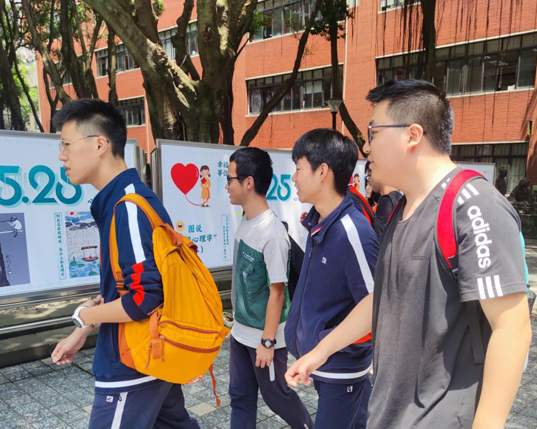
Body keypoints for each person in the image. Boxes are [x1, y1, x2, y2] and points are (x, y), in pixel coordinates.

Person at [285, 80, 532, 428]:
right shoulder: (400, 211)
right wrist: (320, 352)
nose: (366, 147)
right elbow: (381, 299)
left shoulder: (474, 206)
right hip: (389, 413)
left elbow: (512, 327)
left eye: (373, 133)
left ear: (413, 135)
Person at [50, 99, 199, 429]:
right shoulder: (127, 199)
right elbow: (129, 287)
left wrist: (84, 316)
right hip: (151, 355)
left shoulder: (128, 206)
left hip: (132, 363)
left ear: (99, 144)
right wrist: (82, 331)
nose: (62, 156)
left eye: (66, 145)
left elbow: (144, 298)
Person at [284, 129, 378, 429]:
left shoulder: (352, 231)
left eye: (299, 169)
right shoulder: (319, 222)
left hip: (341, 368)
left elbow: (376, 305)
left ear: (322, 171)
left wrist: (323, 348)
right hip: (324, 363)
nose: (293, 178)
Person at [225, 147, 313, 429]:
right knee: (240, 397)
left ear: (248, 182)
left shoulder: (273, 234)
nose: (227, 186)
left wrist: (267, 343)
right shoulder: (246, 220)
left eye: (230, 179)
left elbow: (278, 292)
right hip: (240, 333)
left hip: (265, 339)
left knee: (277, 397)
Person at [367, 167, 402, 240]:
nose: (369, 180)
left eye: (369, 176)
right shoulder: (400, 197)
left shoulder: (385, 201)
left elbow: (380, 236)